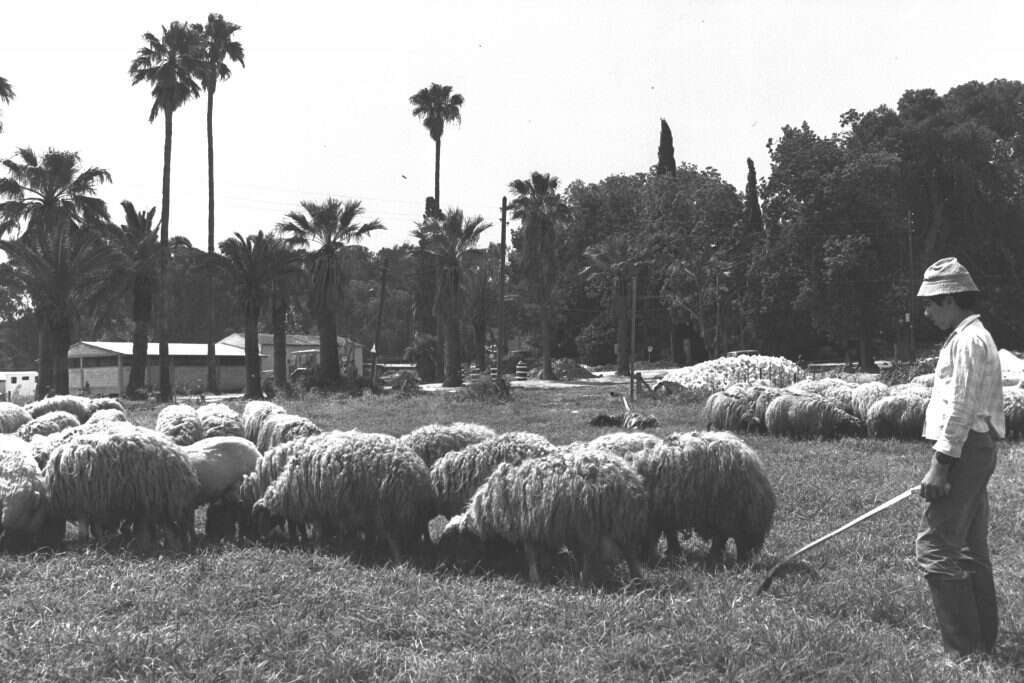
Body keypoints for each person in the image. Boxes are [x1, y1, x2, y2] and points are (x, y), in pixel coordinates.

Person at [916, 256, 1005, 659]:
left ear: (950, 299)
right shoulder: (974, 336)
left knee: (934, 547)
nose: (926, 311)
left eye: (931, 303)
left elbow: (961, 407)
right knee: (969, 547)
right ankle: (982, 640)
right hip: (976, 447)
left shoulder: (969, 340)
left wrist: (941, 464)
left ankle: (963, 652)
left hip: (965, 448)